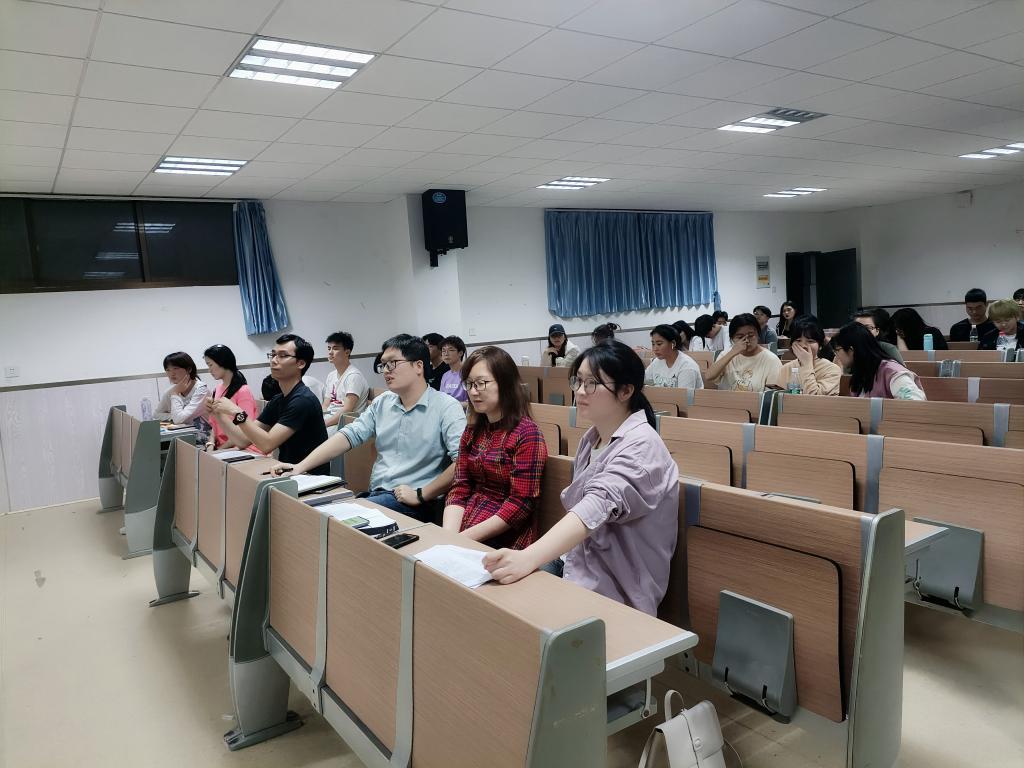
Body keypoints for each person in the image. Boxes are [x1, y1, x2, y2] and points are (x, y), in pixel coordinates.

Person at [482, 341, 679, 616]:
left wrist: (528, 557)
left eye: (592, 383)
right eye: (578, 381)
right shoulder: (592, 438)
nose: (580, 391)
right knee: (492, 597)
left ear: (625, 391)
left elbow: (595, 506)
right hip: (577, 563)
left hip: (616, 587)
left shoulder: (643, 446)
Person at [269, 334, 466, 521]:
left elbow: (461, 463)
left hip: (417, 503)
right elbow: (349, 435)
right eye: (383, 365)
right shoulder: (383, 402)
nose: (386, 370)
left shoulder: (446, 407)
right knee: (317, 511)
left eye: (392, 363)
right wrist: (300, 467)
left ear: (418, 366)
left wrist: (421, 494)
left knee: (337, 520)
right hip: (380, 495)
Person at [442, 347, 547, 549]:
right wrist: (448, 536)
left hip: (506, 537)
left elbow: (519, 504)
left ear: (505, 383)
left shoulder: (526, 433)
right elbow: (460, 487)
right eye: (469, 384)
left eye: (481, 383)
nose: (473, 391)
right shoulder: (471, 431)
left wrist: (461, 540)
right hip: (467, 526)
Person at [208, 334, 331, 474]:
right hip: (287, 472)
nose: (273, 360)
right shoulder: (278, 400)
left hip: (311, 478)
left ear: (300, 364)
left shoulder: (302, 400)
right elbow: (242, 441)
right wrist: (218, 414)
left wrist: (237, 412)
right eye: (272, 355)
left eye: (282, 355)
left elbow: (267, 444)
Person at [830, 323, 926, 400]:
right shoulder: (861, 373)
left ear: (851, 350)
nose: (836, 355)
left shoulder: (892, 372)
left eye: (837, 350)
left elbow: (916, 404)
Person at [704, 313, 783, 392]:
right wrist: (732, 353)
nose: (746, 340)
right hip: (727, 399)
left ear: (758, 335)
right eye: (740, 337)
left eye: (751, 335)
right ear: (732, 338)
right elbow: (709, 376)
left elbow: (771, 395)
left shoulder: (771, 360)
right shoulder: (726, 354)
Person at [202, 344, 258, 451]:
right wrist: (210, 443)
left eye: (210, 365)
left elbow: (247, 431)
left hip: (242, 448)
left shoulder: (243, 391)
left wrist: (220, 449)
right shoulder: (217, 389)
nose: (209, 370)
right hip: (222, 448)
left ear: (222, 362)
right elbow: (216, 424)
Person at [772, 315, 840, 395]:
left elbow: (814, 398)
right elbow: (779, 398)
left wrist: (807, 364)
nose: (803, 345)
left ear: (820, 345)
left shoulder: (832, 369)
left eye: (810, 341)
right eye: (798, 340)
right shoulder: (786, 368)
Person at [322, 331, 369, 434]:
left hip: (345, 424)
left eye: (335, 348)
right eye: (329, 348)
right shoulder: (331, 375)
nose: (330, 352)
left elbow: (347, 410)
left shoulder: (353, 376)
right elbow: (325, 404)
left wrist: (322, 424)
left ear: (347, 352)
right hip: (330, 420)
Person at [155, 352, 210, 437]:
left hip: (205, 437)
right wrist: (173, 416)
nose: (171, 373)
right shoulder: (171, 391)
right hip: (184, 436)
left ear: (189, 369)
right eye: (168, 370)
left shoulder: (201, 389)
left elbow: (179, 419)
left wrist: (175, 394)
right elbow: (156, 415)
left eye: (175, 368)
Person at [645, 324, 703, 389]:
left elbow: (684, 395)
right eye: (653, 344)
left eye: (659, 344)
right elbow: (644, 379)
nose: (655, 349)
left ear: (673, 343)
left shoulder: (687, 366)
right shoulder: (657, 361)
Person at [439, 335, 468, 402]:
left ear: (460, 353)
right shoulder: (445, 375)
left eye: (451, 350)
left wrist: (453, 405)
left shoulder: (467, 373)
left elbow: (471, 402)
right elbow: (441, 398)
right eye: (443, 351)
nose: (446, 354)